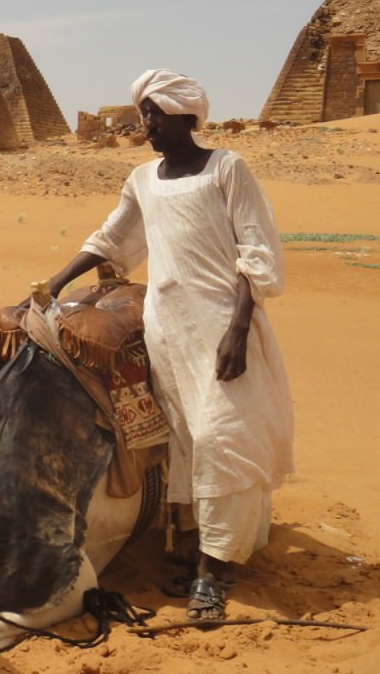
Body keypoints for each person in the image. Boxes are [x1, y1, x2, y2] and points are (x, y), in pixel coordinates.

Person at [47, 69, 294, 620]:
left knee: (224, 436)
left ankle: (214, 573)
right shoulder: (142, 179)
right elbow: (112, 238)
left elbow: (255, 250)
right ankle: (203, 550)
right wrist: (58, 282)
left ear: (187, 116)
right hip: (168, 329)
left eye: (155, 113)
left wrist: (237, 330)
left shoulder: (227, 168)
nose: (146, 124)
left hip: (223, 326)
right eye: (143, 113)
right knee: (186, 439)